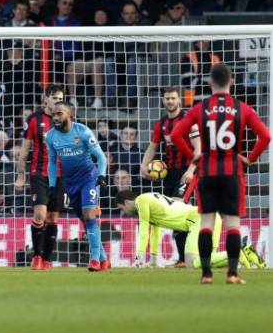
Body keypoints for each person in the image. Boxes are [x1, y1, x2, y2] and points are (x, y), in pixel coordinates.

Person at [171, 63, 271, 284]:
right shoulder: (241, 108)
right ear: (231, 82)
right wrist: (250, 158)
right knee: (232, 224)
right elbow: (265, 136)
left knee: (206, 223)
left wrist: (194, 155)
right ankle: (232, 274)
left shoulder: (201, 108)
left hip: (207, 172)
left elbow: (177, 134)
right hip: (231, 173)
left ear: (209, 83)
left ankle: (206, 274)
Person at [116, 191, 264, 270]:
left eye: (122, 208)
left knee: (191, 263)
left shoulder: (141, 201)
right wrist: (153, 261)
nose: (124, 212)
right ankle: (246, 254)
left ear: (127, 202)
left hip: (198, 220)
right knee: (209, 263)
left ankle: (238, 251)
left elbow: (143, 233)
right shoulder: (150, 199)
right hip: (210, 217)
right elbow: (153, 232)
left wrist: (138, 261)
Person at [140, 86, 200, 267]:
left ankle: (186, 256)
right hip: (169, 174)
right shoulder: (161, 124)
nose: (170, 101)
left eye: (173, 98)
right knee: (171, 214)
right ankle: (182, 258)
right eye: (167, 99)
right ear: (163, 100)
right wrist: (143, 166)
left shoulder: (190, 121)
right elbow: (152, 146)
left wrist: (191, 171)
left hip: (188, 171)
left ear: (179, 100)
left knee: (177, 209)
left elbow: (199, 148)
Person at [46, 102, 109, 271]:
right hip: (70, 183)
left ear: (70, 115)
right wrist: (52, 186)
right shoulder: (51, 136)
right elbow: (52, 162)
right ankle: (104, 259)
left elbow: (101, 157)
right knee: (86, 221)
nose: (55, 118)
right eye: (53, 114)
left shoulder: (82, 132)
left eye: (59, 114)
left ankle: (95, 259)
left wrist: (101, 176)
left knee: (89, 216)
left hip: (89, 178)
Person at [15, 85, 65, 270]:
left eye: (61, 98)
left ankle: (47, 259)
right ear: (46, 99)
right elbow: (25, 149)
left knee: (52, 218)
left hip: (60, 175)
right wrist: (21, 176)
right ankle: (36, 256)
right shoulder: (34, 120)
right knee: (40, 214)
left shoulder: (66, 118)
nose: (58, 102)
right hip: (39, 174)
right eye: (55, 98)